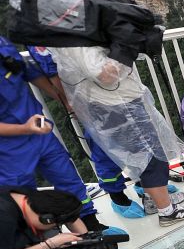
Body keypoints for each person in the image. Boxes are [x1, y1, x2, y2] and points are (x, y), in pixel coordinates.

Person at [25, 0, 156, 221]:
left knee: (137, 138)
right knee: (105, 145)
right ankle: (117, 195)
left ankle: (147, 183)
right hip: (90, 96)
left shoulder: (78, 8)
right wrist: (68, 102)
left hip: (118, 90)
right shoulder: (44, 22)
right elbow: (52, 71)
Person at [0, 37, 118, 235]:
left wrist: (64, 99)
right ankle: (41, 241)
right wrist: (25, 129)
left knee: (69, 179)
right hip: (8, 149)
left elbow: (28, 71)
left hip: (40, 133)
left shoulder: (2, 44)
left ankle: (90, 225)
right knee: (22, 197)